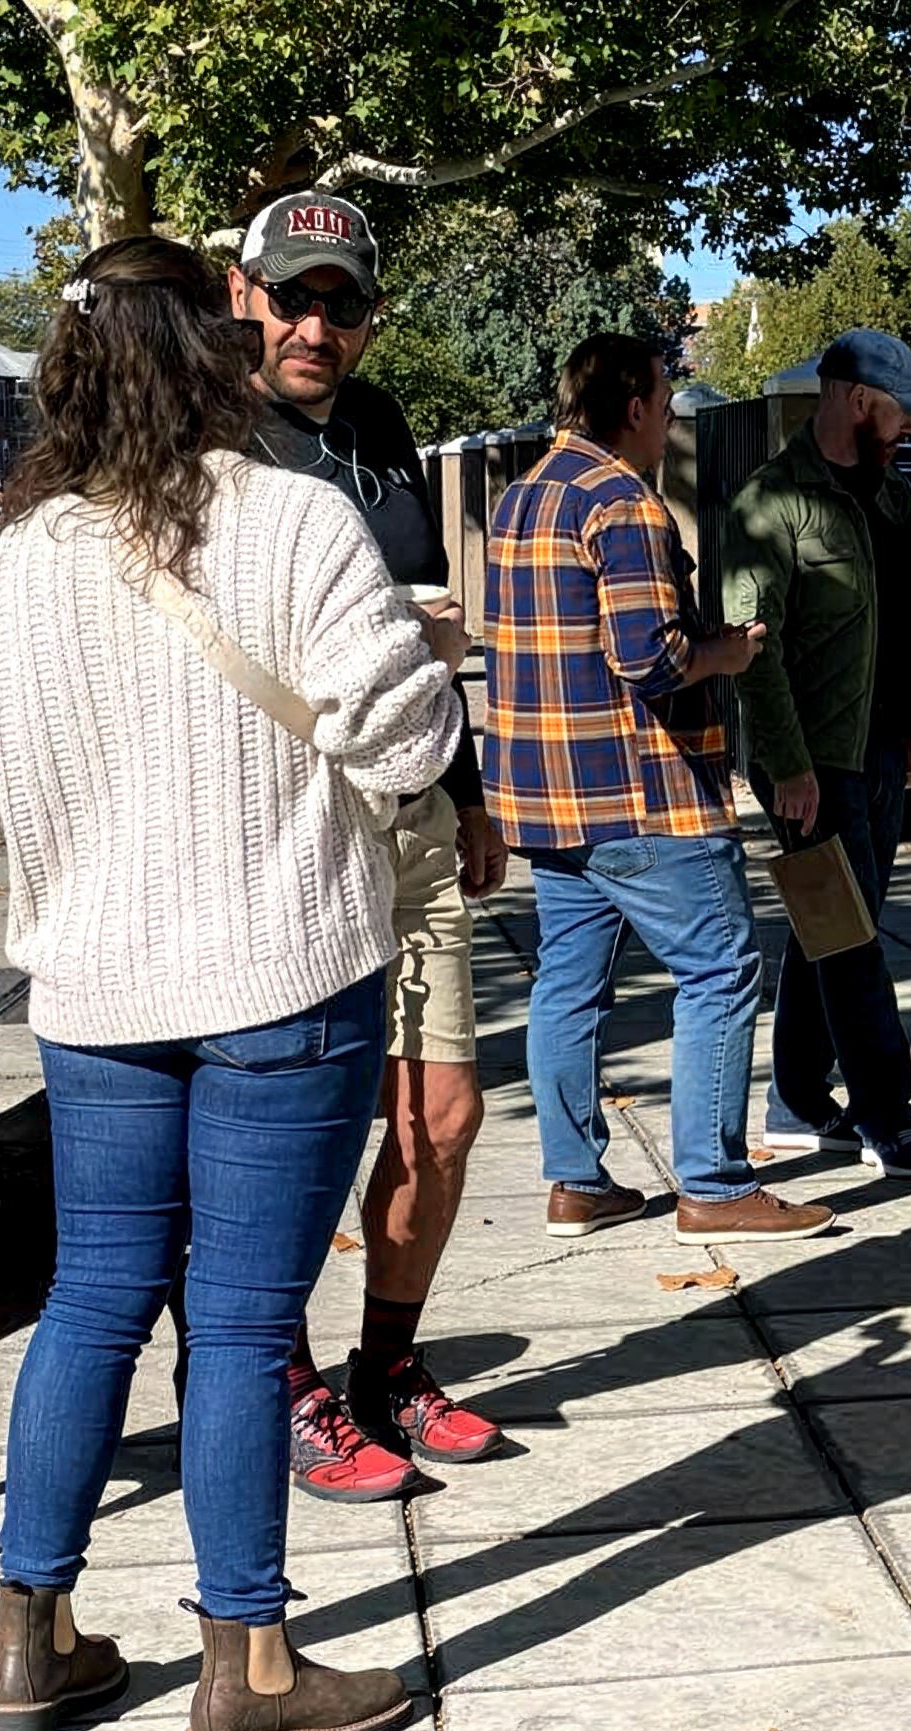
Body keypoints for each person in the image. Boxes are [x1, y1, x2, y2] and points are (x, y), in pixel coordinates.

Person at [0, 235, 462, 1731]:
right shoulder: (296, 520)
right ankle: (250, 1660)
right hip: (280, 972)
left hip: (96, 986)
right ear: (210, 356)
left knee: (95, 1296)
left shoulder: (30, 547)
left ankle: (31, 1636)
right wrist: (428, 658)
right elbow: (407, 749)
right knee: (239, 1322)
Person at [226, 189, 512, 1501]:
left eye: (341, 303)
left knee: (439, 1111)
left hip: (407, 811)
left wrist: (468, 788)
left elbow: (420, 634)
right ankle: (280, 1384)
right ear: (247, 296)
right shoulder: (213, 438)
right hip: (280, 823)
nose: (315, 324)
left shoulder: (383, 431)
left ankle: (383, 1367)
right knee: (291, 1124)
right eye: (295, 297)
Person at [483, 332, 832, 1243]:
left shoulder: (522, 497)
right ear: (633, 405)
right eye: (666, 398)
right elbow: (650, 659)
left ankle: (574, 1182)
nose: (672, 413)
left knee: (567, 984)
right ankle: (713, 1187)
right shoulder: (623, 504)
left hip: (545, 795)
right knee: (720, 968)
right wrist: (734, 648)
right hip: (644, 792)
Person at [724, 330, 911, 1180]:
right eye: (901, 414)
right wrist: (787, 768)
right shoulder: (770, 504)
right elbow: (758, 653)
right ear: (860, 400)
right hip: (815, 760)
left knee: (827, 930)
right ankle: (886, 1115)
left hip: (883, 746)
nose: (909, 432)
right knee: (851, 941)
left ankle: (793, 1099)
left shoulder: (886, 490)